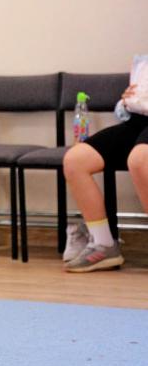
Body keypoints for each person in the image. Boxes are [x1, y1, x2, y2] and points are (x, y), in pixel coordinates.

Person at [63, 83, 148, 272]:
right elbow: (123, 113)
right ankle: (104, 245)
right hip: (137, 123)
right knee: (75, 160)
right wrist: (126, 102)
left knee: (139, 159)